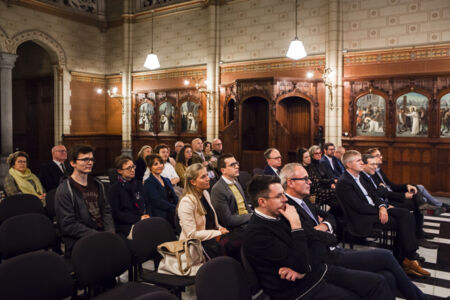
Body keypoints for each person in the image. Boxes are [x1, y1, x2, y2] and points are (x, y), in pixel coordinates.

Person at [281, 163, 425, 300]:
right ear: (290, 182)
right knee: (386, 257)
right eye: (305, 179)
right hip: (325, 258)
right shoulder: (288, 207)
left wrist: (325, 225)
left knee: (388, 274)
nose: (310, 182)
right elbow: (311, 236)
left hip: (332, 250)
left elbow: (331, 216)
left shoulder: (303, 200)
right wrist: (327, 231)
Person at [244, 175, 393, 300]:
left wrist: (304, 263)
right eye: (279, 196)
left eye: (284, 194)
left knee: (380, 280)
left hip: (316, 271)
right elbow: (302, 262)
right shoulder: (258, 233)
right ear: (262, 202)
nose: (285, 199)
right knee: (360, 293)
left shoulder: (282, 213)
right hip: (297, 290)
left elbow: (326, 240)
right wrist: (296, 226)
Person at [335, 150, 430, 278]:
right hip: (362, 217)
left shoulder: (360, 177)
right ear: (349, 164)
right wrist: (381, 209)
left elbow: (375, 194)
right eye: (358, 161)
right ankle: (406, 259)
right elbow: (359, 207)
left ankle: (407, 257)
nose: (362, 163)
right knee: (400, 222)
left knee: (406, 214)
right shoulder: (344, 182)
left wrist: (382, 206)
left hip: (374, 210)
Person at [366, 148, 445, 241]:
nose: (381, 157)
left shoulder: (379, 170)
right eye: (377, 155)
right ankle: (419, 232)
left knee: (415, 189)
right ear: (370, 159)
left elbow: (392, 186)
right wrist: (403, 196)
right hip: (389, 200)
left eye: (380, 155)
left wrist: (407, 186)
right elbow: (382, 193)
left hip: (392, 195)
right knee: (417, 202)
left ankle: (419, 228)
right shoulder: (371, 173)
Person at [55, 146, 115, 257]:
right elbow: (68, 225)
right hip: (80, 239)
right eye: (85, 159)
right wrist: (98, 236)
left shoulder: (98, 184)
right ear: (73, 163)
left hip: (101, 234)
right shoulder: (64, 189)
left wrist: (110, 233)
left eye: (91, 159)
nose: (90, 162)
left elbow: (106, 211)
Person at [177, 163, 229, 258]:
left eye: (207, 175)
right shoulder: (186, 202)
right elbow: (192, 234)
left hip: (210, 238)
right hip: (196, 245)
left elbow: (212, 222)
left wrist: (220, 228)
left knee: (236, 243)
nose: (208, 179)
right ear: (193, 182)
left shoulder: (205, 193)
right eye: (203, 177)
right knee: (230, 248)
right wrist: (218, 233)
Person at [108, 155, 150, 239]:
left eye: (133, 166)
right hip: (127, 225)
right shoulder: (115, 189)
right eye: (128, 168)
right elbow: (116, 214)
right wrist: (139, 218)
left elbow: (147, 203)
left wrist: (147, 215)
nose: (132, 170)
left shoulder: (138, 184)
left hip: (143, 220)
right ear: (120, 171)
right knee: (147, 237)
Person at [211, 154, 253, 230]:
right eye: (232, 165)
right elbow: (228, 220)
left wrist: (255, 215)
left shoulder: (236, 182)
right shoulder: (218, 189)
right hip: (237, 228)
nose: (237, 167)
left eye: (236, 163)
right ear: (223, 170)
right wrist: (252, 216)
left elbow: (246, 207)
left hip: (247, 221)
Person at [144, 154, 178, 228]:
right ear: (150, 167)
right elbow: (156, 201)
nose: (159, 166)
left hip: (172, 211)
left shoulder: (166, 180)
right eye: (155, 164)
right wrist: (174, 208)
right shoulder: (149, 182)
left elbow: (174, 196)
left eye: (161, 163)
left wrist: (179, 205)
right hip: (160, 213)